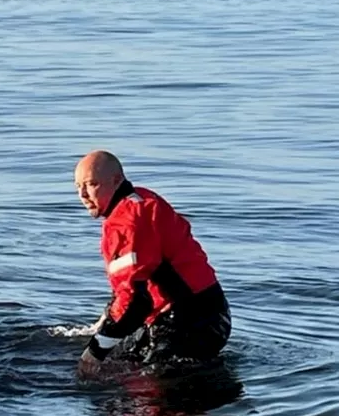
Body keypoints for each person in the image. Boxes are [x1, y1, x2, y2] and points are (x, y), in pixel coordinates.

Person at [73, 150, 231, 369]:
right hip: (204, 312)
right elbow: (130, 285)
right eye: (77, 187)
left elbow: (138, 303)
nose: (83, 194)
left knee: (139, 386)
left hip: (193, 321)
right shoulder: (138, 200)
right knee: (123, 360)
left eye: (91, 184)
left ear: (117, 180)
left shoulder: (127, 222)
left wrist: (94, 352)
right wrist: (106, 322)